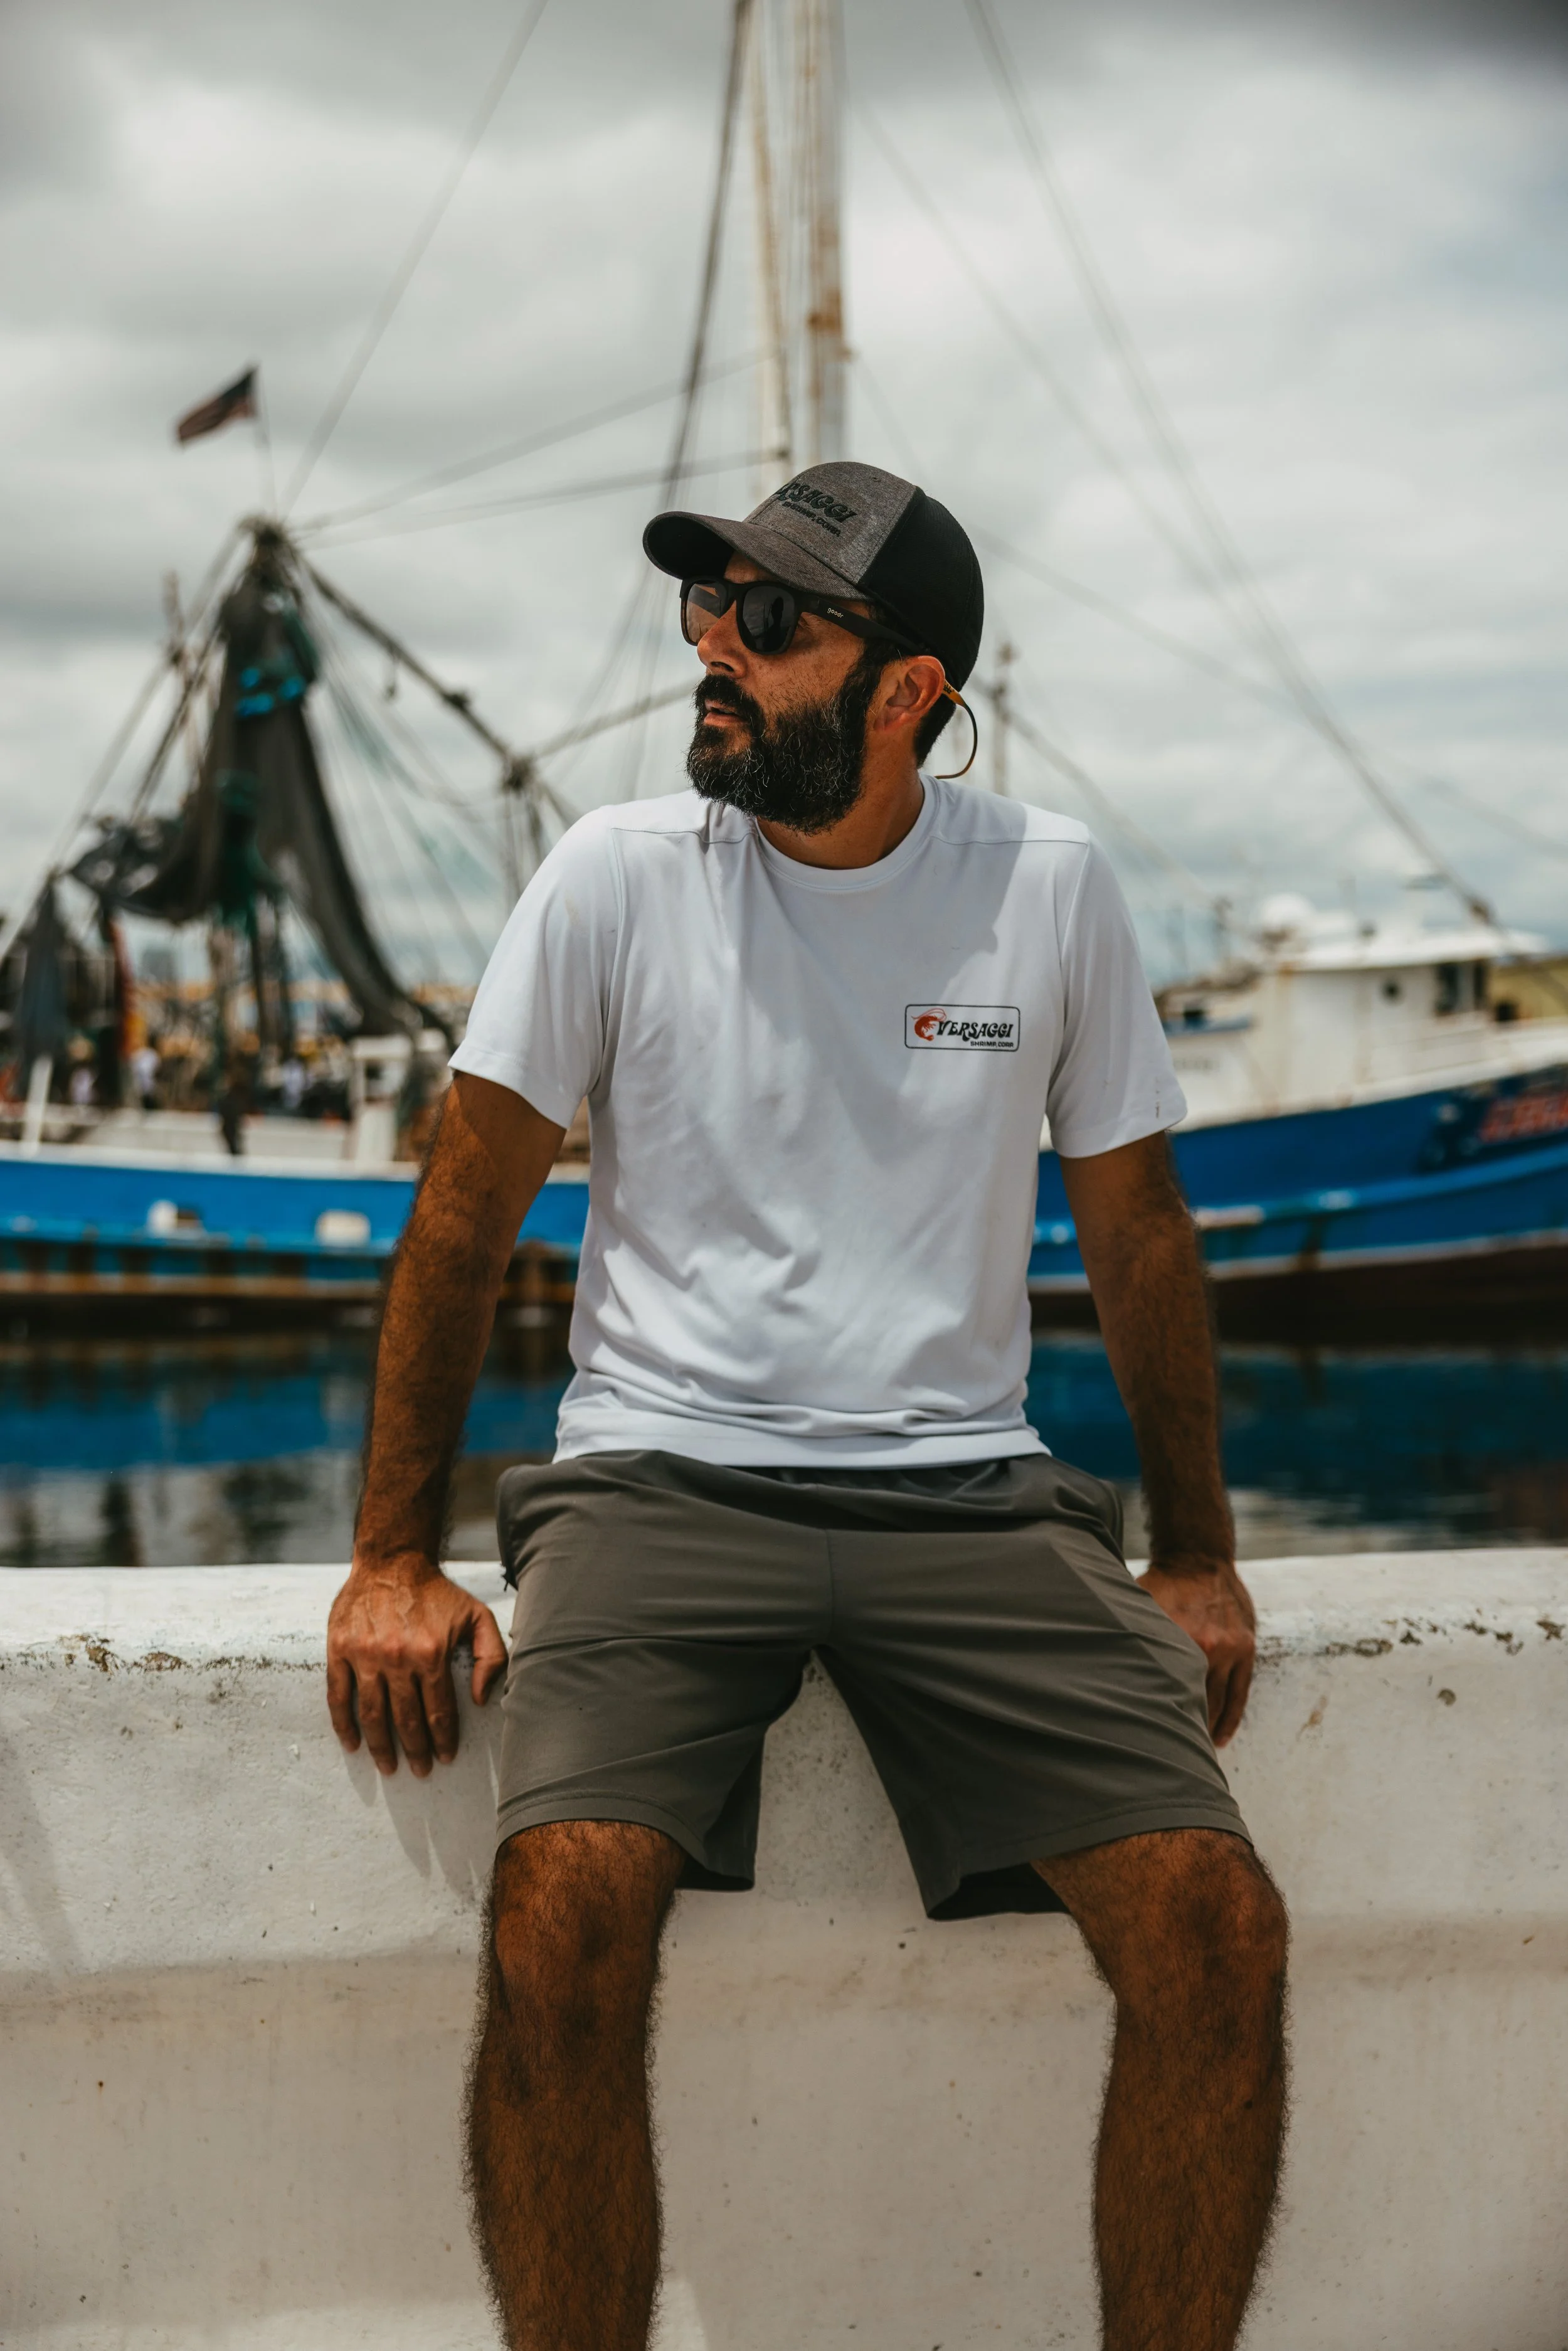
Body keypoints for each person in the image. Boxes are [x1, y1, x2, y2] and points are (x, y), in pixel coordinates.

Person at [327, 462, 1288, 2351]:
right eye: (705, 608)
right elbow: (460, 1207)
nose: (712, 651)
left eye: (770, 623)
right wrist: (386, 1557)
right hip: (656, 1483)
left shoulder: (1049, 888)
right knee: (559, 1924)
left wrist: (1195, 1554)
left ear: (911, 688)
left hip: (974, 1500)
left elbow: (1138, 1231)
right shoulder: (614, 876)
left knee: (1214, 1932)